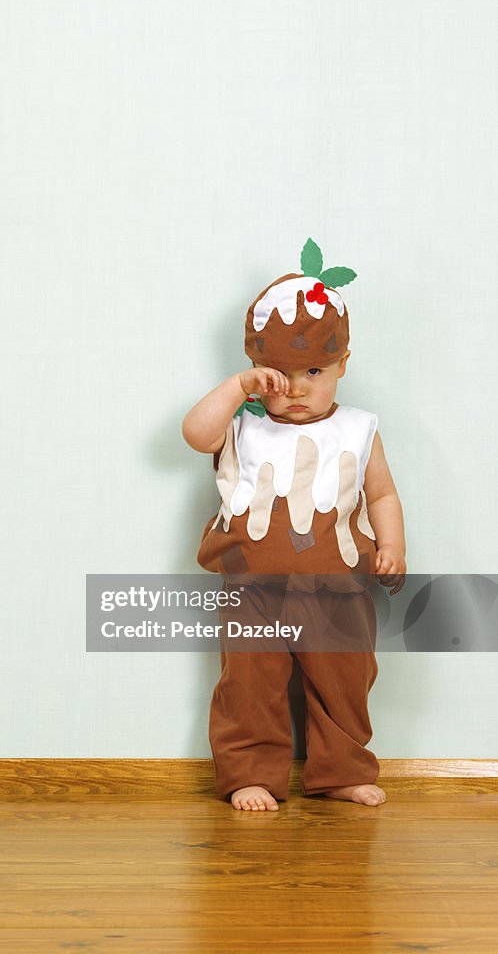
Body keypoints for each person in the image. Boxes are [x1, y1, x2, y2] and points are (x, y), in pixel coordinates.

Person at [182, 240, 407, 811]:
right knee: (249, 686)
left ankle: (341, 771)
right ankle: (249, 773)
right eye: (282, 374)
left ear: (342, 365)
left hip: (338, 587)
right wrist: (238, 390)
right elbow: (195, 434)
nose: (299, 387)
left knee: (344, 683)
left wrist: (392, 545)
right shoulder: (243, 424)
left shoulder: (359, 428)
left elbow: (380, 492)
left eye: (315, 371)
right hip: (255, 590)